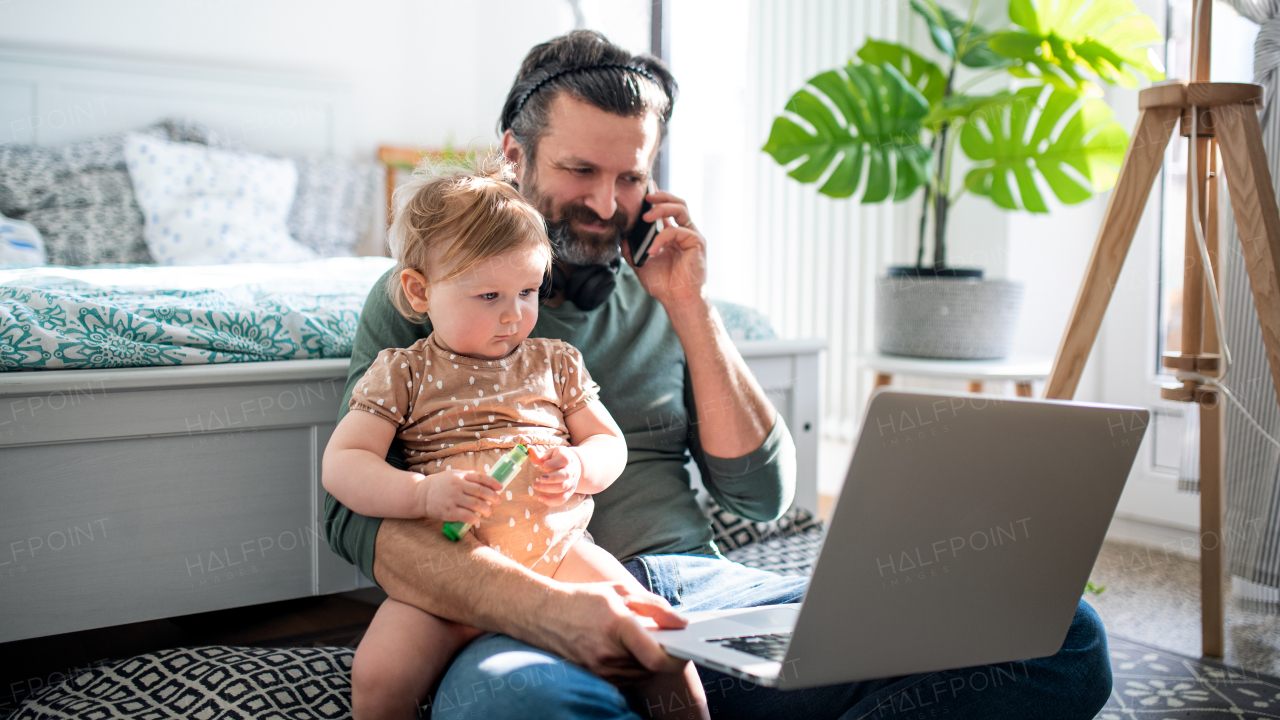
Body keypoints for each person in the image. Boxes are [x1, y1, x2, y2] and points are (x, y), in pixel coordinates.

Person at [325, 30, 1114, 719]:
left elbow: (760, 496)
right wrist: (547, 609)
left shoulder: (665, 293)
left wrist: (691, 308)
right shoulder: (429, 303)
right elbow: (352, 518)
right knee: (532, 705)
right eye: (580, 170)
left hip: (695, 595)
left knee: (1057, 632)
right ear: (514, 155)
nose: (607, 203)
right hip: (514, 603)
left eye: (631, 177)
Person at [322, 160, 708, 720]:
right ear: (418, 291)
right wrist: (420, 495)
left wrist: (579, 467)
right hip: (451, 571)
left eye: (527, 291)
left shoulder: (555, 362)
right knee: (379, 675)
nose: (513, 316)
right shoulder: (402, 372)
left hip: (559, 552)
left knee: (657, 640)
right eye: (488, 297)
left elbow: (609, 444)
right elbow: (344, 463)